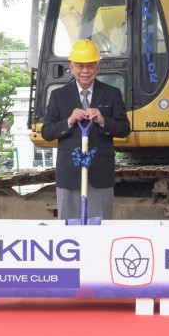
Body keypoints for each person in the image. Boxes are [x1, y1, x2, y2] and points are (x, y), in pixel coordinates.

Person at [42, 39, 131, 220]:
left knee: (101, 228)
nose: (85, 71)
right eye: (80, 66)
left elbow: (124, 129)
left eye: (90, 66)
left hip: (100, 174)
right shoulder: (58, 96)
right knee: (69, 228)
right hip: (69, 174)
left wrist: (103, 120)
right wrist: (69, 121)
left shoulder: (112, 93)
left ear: (98, 68)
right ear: (72, 67)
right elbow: (47, 132)